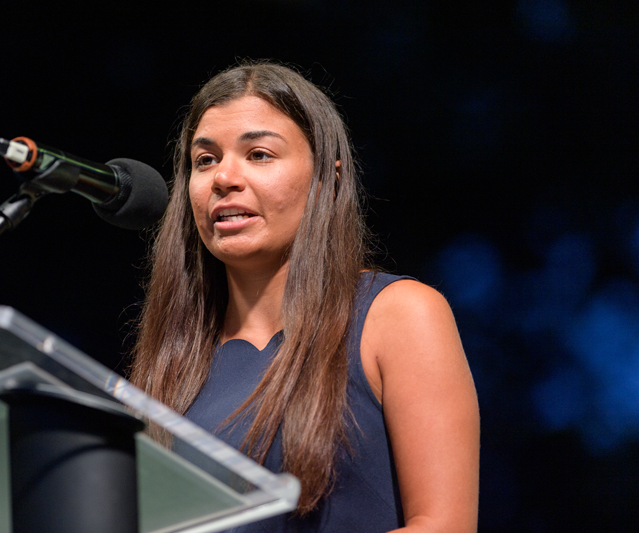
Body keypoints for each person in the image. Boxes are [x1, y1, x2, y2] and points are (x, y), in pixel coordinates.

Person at [130, 61, 479, 532]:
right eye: (204, 160)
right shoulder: (174, 365)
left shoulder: (397, 315)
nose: (223, 178)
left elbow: (444, 525)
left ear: (328, 178)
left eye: (258, 154)